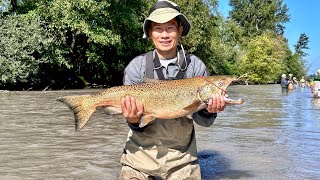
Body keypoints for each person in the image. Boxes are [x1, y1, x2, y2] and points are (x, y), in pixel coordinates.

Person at [119, 1, 226, 179]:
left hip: (182, 160)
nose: (165, 35)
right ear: (150, 33)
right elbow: (135, 125)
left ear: (180, 30)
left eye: (170, 28)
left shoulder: (195, 67)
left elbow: (203, 121)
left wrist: (209, 110)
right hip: (138, 158)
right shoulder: (136, 67)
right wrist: (133, 119)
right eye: (158, 29)